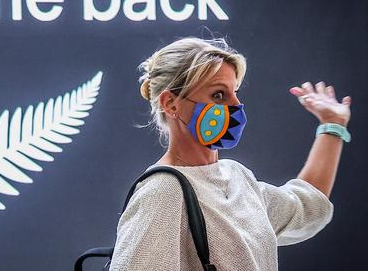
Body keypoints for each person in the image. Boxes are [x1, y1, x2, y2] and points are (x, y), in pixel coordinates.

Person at [108, 36, 351, 270]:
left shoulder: (237, 177)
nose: (236, 104)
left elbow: (306, 207)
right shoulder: (162, 191)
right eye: (218, 95)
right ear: (171, 104)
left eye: (235, 92)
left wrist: (333, 124)